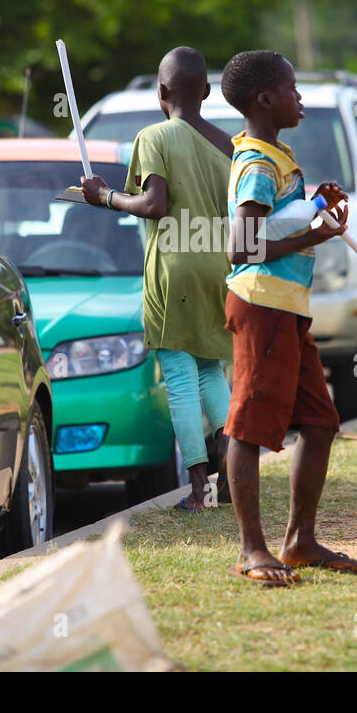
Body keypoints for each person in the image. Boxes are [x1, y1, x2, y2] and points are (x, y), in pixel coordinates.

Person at [218, 49, 357, 585]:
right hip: (261, 305)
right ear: (265, 99)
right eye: (293, 90)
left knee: (319, 423)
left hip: (289, 308)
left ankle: (299, 542)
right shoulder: (254, 162)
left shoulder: (278, 155)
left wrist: (311, 203)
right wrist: (313, 235)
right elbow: (242, 246)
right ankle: (252, 549)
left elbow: (274, 221)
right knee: (250, 426)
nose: (300, 98)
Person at [81, 47, 235, 511]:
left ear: (161, 93)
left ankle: (196, 487)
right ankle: (231, 472)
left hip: (173, 271)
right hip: (220, 266)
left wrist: (105, 197)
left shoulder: (154, 137)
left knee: (182, 381)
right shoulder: (229, 144)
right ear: (207, 92)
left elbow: (154, 204)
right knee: (210, 369)